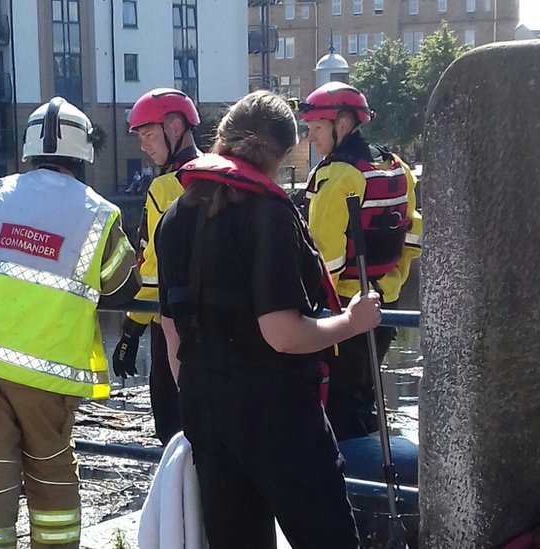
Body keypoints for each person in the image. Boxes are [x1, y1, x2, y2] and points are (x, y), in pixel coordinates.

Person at [156, 90, 382, 548]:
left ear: (221, 138)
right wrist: (354, 322)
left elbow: (170, 329)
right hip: (277, 414)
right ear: (282, 151)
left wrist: (203, 396)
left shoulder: (175, 215)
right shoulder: (269, 214)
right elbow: (281, 333)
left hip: (205, 409)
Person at [0, 97, 140, 548]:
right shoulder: (99, 212)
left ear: (28, 149)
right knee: (51, 478)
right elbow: (116, 282)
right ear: (83, 154)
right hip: (45, 374)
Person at [300, 81, 422, 441]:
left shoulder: (336, 173)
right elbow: (411, 232)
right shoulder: (395, 165)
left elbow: (323, 256)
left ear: (341, 124)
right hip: (386, 300)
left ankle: (348, 483)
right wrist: (393, 284)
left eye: (316, 129)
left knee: (338, 404)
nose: (310, 138)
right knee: (364, 394)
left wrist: (310, 313)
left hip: (344, 310)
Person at [112, 87, 201, 445]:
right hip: (221, 322)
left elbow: (152, 270)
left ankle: (180, 501)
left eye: (148, 135)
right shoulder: (221, 176)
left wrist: (131, 330)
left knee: (173, 432)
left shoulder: (165, 187)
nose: (143, 146)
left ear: (175, 127)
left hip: (174, 325)